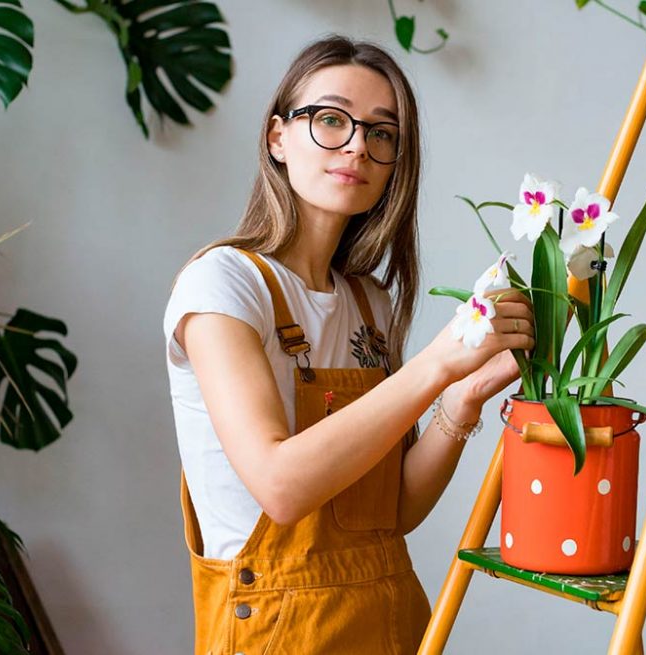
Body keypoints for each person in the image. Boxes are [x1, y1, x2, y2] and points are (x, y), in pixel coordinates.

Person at [163, 35, 534, 655]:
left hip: (388, 616)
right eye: (331, 120)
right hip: (278, 629)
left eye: (382, 133)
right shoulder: (222, 283)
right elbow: (280, 486)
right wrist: (437, 366)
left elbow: (391, 512)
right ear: (277, 138)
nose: (358, 144)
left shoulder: (369, 302)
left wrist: (463, 398)